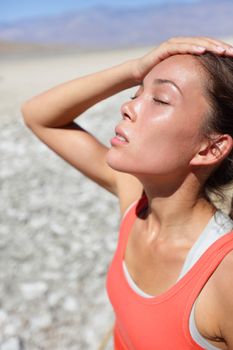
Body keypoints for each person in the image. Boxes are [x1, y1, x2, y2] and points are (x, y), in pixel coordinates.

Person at [21, 37, 233, 349]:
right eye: (136, 93)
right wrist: (135, 69)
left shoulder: (222, 275)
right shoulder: (136, 205)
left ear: (211, 147)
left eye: (160, 99)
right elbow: (38, 115)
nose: (128, 106)